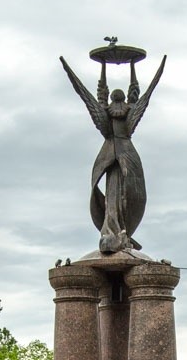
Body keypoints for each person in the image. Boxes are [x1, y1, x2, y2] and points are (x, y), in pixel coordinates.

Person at [60, 52, 167, 253]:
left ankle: (122, 231)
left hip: (122, 152)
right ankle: (112, 230)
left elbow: (118, 93)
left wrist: (110, 65)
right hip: (113, 153)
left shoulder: (119, 111)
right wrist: (126, 66)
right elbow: (129, 92)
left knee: (130, 191)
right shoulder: (122, 110)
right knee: (112, 193)